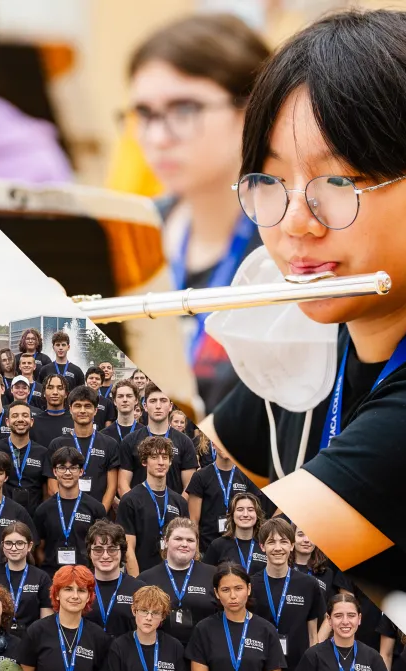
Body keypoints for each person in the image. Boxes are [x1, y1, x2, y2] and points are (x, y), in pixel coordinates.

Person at [198, 8, 406, 610]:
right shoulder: (315, 332)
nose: (295, 224)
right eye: (270, 180)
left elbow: (239, 580)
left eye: (338, 184)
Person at [122, 14, 270, 412]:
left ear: (249, 109)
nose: (156, 138)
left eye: (183, 109)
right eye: (145, 114)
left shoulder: (290, 236)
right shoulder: (129, 230)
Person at [249, 517, 324, 671]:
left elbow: (313, 636)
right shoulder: (251, 585)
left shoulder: (308, 585)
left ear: (292, 545)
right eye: (271, 542)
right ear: (262, 547)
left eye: (283, 542)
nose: (278, 548)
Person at [117, 436, 191, 576]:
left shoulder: (179, 502)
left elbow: (186, 544)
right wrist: (138, 583)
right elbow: (128, 550)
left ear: (170, 462)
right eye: (155, 457)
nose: (161, 462)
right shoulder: (130, 500)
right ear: (144, 461)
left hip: (174, 578)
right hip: (143, 576)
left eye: (165, 457)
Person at [140, 518, 219, 647]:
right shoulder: (146, 579)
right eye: (178, 539)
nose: (184, 544)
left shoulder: (214, 575)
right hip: (159, 653)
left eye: (190, 540)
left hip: (204, 651)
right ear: (166, 541)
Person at [33, 446, 108, 577]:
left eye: (73, 467)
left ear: (81, 471)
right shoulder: (43, 510)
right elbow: (39, 550)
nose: (67, 473)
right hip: (53, 576)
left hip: (85, 576)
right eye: (62, 467)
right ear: (54, 472)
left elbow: (102, 546)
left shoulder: (96, 508)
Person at [44, 386, 120, 512]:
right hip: (66, 515)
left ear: (95, 410)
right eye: (78, 405)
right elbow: (52, 485)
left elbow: (111, 487)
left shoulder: (109, 444)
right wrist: (67, 512)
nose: (83, 410)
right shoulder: (57, 444)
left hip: (98, 518)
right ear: (70, 409)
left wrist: (100, 513)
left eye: (88, 406)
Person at [118, 384, 198, 496]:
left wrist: (176, 509)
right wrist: (134, 508)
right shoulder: (130, 440)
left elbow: (189, 487)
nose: (158, 406)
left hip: (173, 510)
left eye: (163, 400)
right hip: (139, 509)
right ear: (145, 406)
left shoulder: (185, 442)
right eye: (153, 401)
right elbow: (123, 484)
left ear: (170, 406)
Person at [0, 522, 53, 635]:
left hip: (31, 641)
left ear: (29, 546)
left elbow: (46, 620)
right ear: (2, 545)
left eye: (20, 543)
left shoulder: (41, 578)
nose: (14, 548)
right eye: (8, 543)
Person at [185, 442, 263, 550]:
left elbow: (255, 515)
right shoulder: (200, 476)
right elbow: (194, 520)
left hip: (239, 547)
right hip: (207, 546)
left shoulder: (247, 476)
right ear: (213, 444)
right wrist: (195, 550)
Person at [82, 521, 146, 641]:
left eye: (112, 549)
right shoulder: (80, 587)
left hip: (127, 656)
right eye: (98, 549)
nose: (105, 555)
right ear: (89, 553)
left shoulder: (139, 589)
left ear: (122, 552)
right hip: (87, 655)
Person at [0, 401, 50, 513]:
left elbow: (46, 492)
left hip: (32, 519)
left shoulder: (43, 453)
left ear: (32, 421)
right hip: (0, 517)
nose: (20, 419)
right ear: (7, 422)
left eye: (25, 415)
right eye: (15, 416)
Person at [201, 493, 268, 576]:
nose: (245, 514)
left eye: (250, 510)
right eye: (240, 509)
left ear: (257, 515)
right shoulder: (218, 545)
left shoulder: (266, 545)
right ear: (232, 515)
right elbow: (205, 576)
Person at [29, 374, 75, 447]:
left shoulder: (75, 422)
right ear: (44, 393)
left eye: (60, 388)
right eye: (50, 388)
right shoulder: (34, 423)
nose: (55, 392)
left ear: (66, 394)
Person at [101, 379, 142, 446]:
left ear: (136, 400)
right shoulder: (104, 435)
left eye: (129, 396)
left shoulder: (145, 434)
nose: (125, 400)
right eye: (120, 396)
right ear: (114, 401)